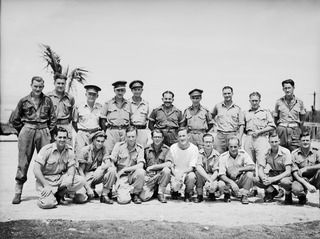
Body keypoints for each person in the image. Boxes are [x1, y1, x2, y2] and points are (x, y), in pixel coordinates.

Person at [10, 76, 57, 204]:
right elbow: (14, 119)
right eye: (35, 86)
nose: (38, 89)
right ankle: (18, 191)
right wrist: (23, 131)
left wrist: (48, 131)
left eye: (40, 87)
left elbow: (53, 118)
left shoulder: (47, 100)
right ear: (31, 85)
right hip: (27, 130)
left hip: (43, 130)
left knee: (47, 162)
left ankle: (47, 191)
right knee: (23, 162)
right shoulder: (23, 101)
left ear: (43, 86)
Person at [33, 127, 86, 209]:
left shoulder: (69, 150)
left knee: (80, 180)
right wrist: (46, 185)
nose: (62, 140)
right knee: (48, 204)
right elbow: (36, 170)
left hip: (59, 179)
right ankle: (48, 197)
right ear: (55, 137)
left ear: (67, 138)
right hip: (46, 181)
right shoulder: (46, 150)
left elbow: (71, 168)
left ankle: (60, 194)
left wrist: (70, 180)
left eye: (64, 137)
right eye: (60, 137)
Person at [243, 92, 276, 196]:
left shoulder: (265, 112)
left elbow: (272, 126)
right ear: (249, 101)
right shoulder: (245, 113)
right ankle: (252, 189)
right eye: (252, 100)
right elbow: (242, 127)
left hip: (261, 139)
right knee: (250, 165)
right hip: (248, 138)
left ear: (259, 101)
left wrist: (259, 132)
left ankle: (268, 190)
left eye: (256, 100)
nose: (254, 102)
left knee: (262, 165)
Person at [76, 131, 116, 204]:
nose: (100, 143)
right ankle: (89, 190)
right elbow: (80, 171)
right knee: (80, 199)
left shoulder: (103, 148)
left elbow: (108, 162)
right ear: (93, 140)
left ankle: (104, 194)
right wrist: (87, 188)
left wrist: (102, 168)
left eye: (102, 141)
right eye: (98, 141)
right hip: (85, 177)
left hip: (95, 174)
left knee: (112, 170)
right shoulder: (85, 150)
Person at [109, 126, 146, 204]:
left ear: (136, 136)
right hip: (122, 177)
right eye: (129, 136)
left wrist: (125, 169)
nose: (131, 139)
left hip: (133, 175)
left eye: (133, 136)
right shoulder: (118, 146)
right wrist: (116, 177)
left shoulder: (140, 148)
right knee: (123, 200)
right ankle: (126, 190)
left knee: (141, 172)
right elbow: (111, 161)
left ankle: (135, 193)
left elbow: (140, 165)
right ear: (125, 136)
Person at [256, 132, 293, 204]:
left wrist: (272, 179)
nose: (274, 144)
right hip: (273, 172)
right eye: (272, 142)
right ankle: (272, 192)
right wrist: (263, 177)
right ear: (268, 142)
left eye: (276, 141)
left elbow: (288, 171)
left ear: (279, 141)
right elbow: (260, 169)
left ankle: (288, 193)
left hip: (284, 174)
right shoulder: (265, 152)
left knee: (285, 182)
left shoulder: (285, 151)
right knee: (256, 179)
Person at [165, 127, 198, 202]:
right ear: (177, 137)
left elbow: (192, 167)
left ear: (188, 136)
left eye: (184, 136)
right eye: (180, 136)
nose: (182, 138)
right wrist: (176, 174)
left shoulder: (194, 148)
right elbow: (171, 165)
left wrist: (182, 172)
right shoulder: (173, 147)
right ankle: (174, 191)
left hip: (187, 172)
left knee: (192, 176)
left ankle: (188, 193)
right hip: (175, 173)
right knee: (175, 186)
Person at [218, 136, 255, 204]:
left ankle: (244, 195)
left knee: (250, 174)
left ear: (239, 146)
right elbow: (221, 175)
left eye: (235, 147)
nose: (233, 149)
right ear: (228, 147)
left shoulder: (243, 153)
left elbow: (252, 166)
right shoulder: (223, 157)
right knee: (220, 184)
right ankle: (227, 194)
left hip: (240, 179)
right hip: (228, 180)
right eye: (231, 147)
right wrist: (231, 182)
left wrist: (239, 170)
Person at [274, 79, 306, 151]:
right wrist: (279, 128)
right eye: (285, 88)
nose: (287, 90)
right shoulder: (278, 102)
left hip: (294, 131)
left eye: (289, 88)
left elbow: (302, 118)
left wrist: (299, 129)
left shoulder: (300, 102)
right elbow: (275, 117)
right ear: (283, 89)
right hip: (281, 130)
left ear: (293, 88)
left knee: (295, 151)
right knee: (281, 152)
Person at [140, 129, 171, 203]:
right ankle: (154, 191)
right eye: (155, 137)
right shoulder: (146, 149)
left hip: (161, 176)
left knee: (167, 170)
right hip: (150, 177)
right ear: (152, 138)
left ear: (163, 138)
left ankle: (160, 193)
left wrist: (153, 167)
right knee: (143, 197)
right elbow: (142, 165)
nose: (157, 139)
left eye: (159, 137)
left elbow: (169, 163)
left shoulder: (166, 149)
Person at [212, 86, 244, 154]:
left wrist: (240, 138)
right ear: (222, 94)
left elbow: (241, 124)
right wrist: (214, 124)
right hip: (220, 136)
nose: (227, 95)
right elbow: (211, 116)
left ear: (232, 94)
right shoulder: (217, 106)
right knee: (218, 156)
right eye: (225, 93)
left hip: (232, 135)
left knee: (232, 156)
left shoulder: (237, 108)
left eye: (229, 93)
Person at [101, 81, 131, 153]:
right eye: (118, 90)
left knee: (123, 152)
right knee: (109, 152)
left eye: (122, 90)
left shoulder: (128, 104)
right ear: (114, 90)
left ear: (125, 91)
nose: (120, 92)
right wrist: (105, 132)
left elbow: (131, 118)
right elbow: (102, 119)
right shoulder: (108, 103)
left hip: (124, 131)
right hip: (111, 131)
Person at [73, 84, 102, 157]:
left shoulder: (100, 107)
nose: (91, 96)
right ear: (86, 94)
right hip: (82, 134)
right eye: (90, 94)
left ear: (97, 96)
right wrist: (81, 131)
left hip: (95, 134)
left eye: (94, 94)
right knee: (80, 155)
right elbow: (74, 122)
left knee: (93, 155)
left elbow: (101, 122)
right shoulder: (79, 106)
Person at [291, 131, 320, 205]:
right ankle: (302, 196)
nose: (305, 142)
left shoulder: (316, 151)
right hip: (302, 180)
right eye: (303, 140)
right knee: (295, 188)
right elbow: (295, 173)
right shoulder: (294, 154)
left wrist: (307, 168)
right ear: (299, 142)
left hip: (314, 178)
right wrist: (308, 185)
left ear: (310, 141)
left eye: (307, 140)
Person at [195, 133, 224, 203]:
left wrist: (210, 180)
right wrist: (208, 179)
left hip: (212, 176)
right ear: (203, 143)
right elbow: (198, 167)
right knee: (198, 172)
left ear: (213, 143)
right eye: (206, 142)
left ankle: (211, 193)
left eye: (210, 142)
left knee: (213, 185)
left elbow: (216, 171)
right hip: (202, 175)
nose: (208, 144)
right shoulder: (199, 153)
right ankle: (199, 195)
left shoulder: (217, 155)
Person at [47, 74, 75, 144]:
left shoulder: (70, 98)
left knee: (67, 149)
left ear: (65, 84)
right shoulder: (48, 97)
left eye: (63, 83)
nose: (60, 85)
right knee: (52, 149)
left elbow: (71, 114)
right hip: (52, 126)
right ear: (54, 83)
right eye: (58, 83)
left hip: (65, 126)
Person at [129, 80, 151, 148]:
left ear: (142, 90)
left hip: (143, 131)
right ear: (132, 91)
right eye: (135, 89)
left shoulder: (146, 103)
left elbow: (147, 118)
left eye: (139, 89)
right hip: (132, 131)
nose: (137, 91)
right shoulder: (127, 103)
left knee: (143, 149)